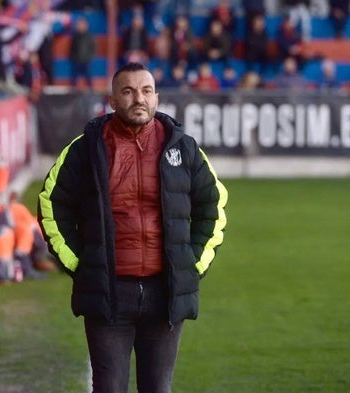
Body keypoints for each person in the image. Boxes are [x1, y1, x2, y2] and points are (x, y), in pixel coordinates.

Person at [37, 62, 228, 393]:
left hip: (164, 292)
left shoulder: (183, 148)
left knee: (158, 388)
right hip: (109, 292)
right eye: (127, 91)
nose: (138, 98)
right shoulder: (85, 149)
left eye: (146, 91)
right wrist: (80, 265)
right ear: (112, 101)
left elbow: (213, 205)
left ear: (156, 97)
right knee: (109, 387)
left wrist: (191, 265)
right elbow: (52, 205)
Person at [69, 16, 96, 89]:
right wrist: (72, 58)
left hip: (86, 60)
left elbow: (92, 48)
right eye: (78, 24)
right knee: (74, 77)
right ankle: (73, 90)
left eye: (81, 24)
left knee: (88, 77)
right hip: (76, 60)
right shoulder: (75, 36)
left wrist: (89, 58)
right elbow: (72, 48)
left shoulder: (89, 36)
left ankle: (91, 90)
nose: (79, 26)